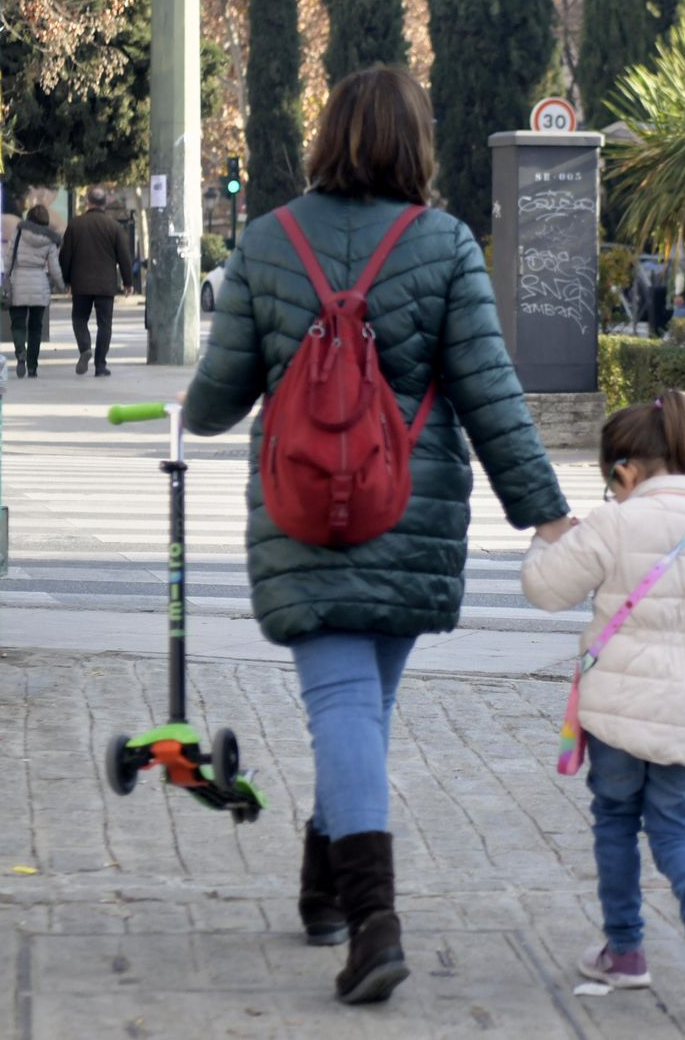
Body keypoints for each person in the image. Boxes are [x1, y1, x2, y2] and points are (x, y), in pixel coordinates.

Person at [180, 66, 573, 1007]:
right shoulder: (443, 245)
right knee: (361, 712)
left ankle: (369, 923)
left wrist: (255, 363)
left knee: (348, 712)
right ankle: (329, 892)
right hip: (411, 512)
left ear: (325, 136)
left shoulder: (269, 240)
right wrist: (548, 512)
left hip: (302, 518)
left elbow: (211, 403)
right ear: (417, 145)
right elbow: (489, 391)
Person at [521, 389, 685, 1014]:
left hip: (618, 718)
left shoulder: (617, 523)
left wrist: (548, 539)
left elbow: (545, 589)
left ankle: (624, 951)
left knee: (617, 822)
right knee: (678, 828)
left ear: (624, 472)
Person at [58, 185, 133, 376]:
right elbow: (124, 256)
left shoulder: (75, 224)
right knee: (105, 324)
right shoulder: (114, 227)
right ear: (105, 203)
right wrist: (128, 282)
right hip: (106, 284)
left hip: (81, 283)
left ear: (88, 202)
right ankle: (100, 365)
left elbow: (65, 256)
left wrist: (66, 280)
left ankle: (85, 348)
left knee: (79, 318)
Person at [5, 205, 65, 378]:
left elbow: (9, 257)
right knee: (36, 328)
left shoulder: (19, 233)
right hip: (39, 283)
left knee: (18, 324)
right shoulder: (50, 240)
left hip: (18, 283)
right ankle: (32, 367)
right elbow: (54, 268)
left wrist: (6, 278)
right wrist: (61, 285)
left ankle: (20, 354)